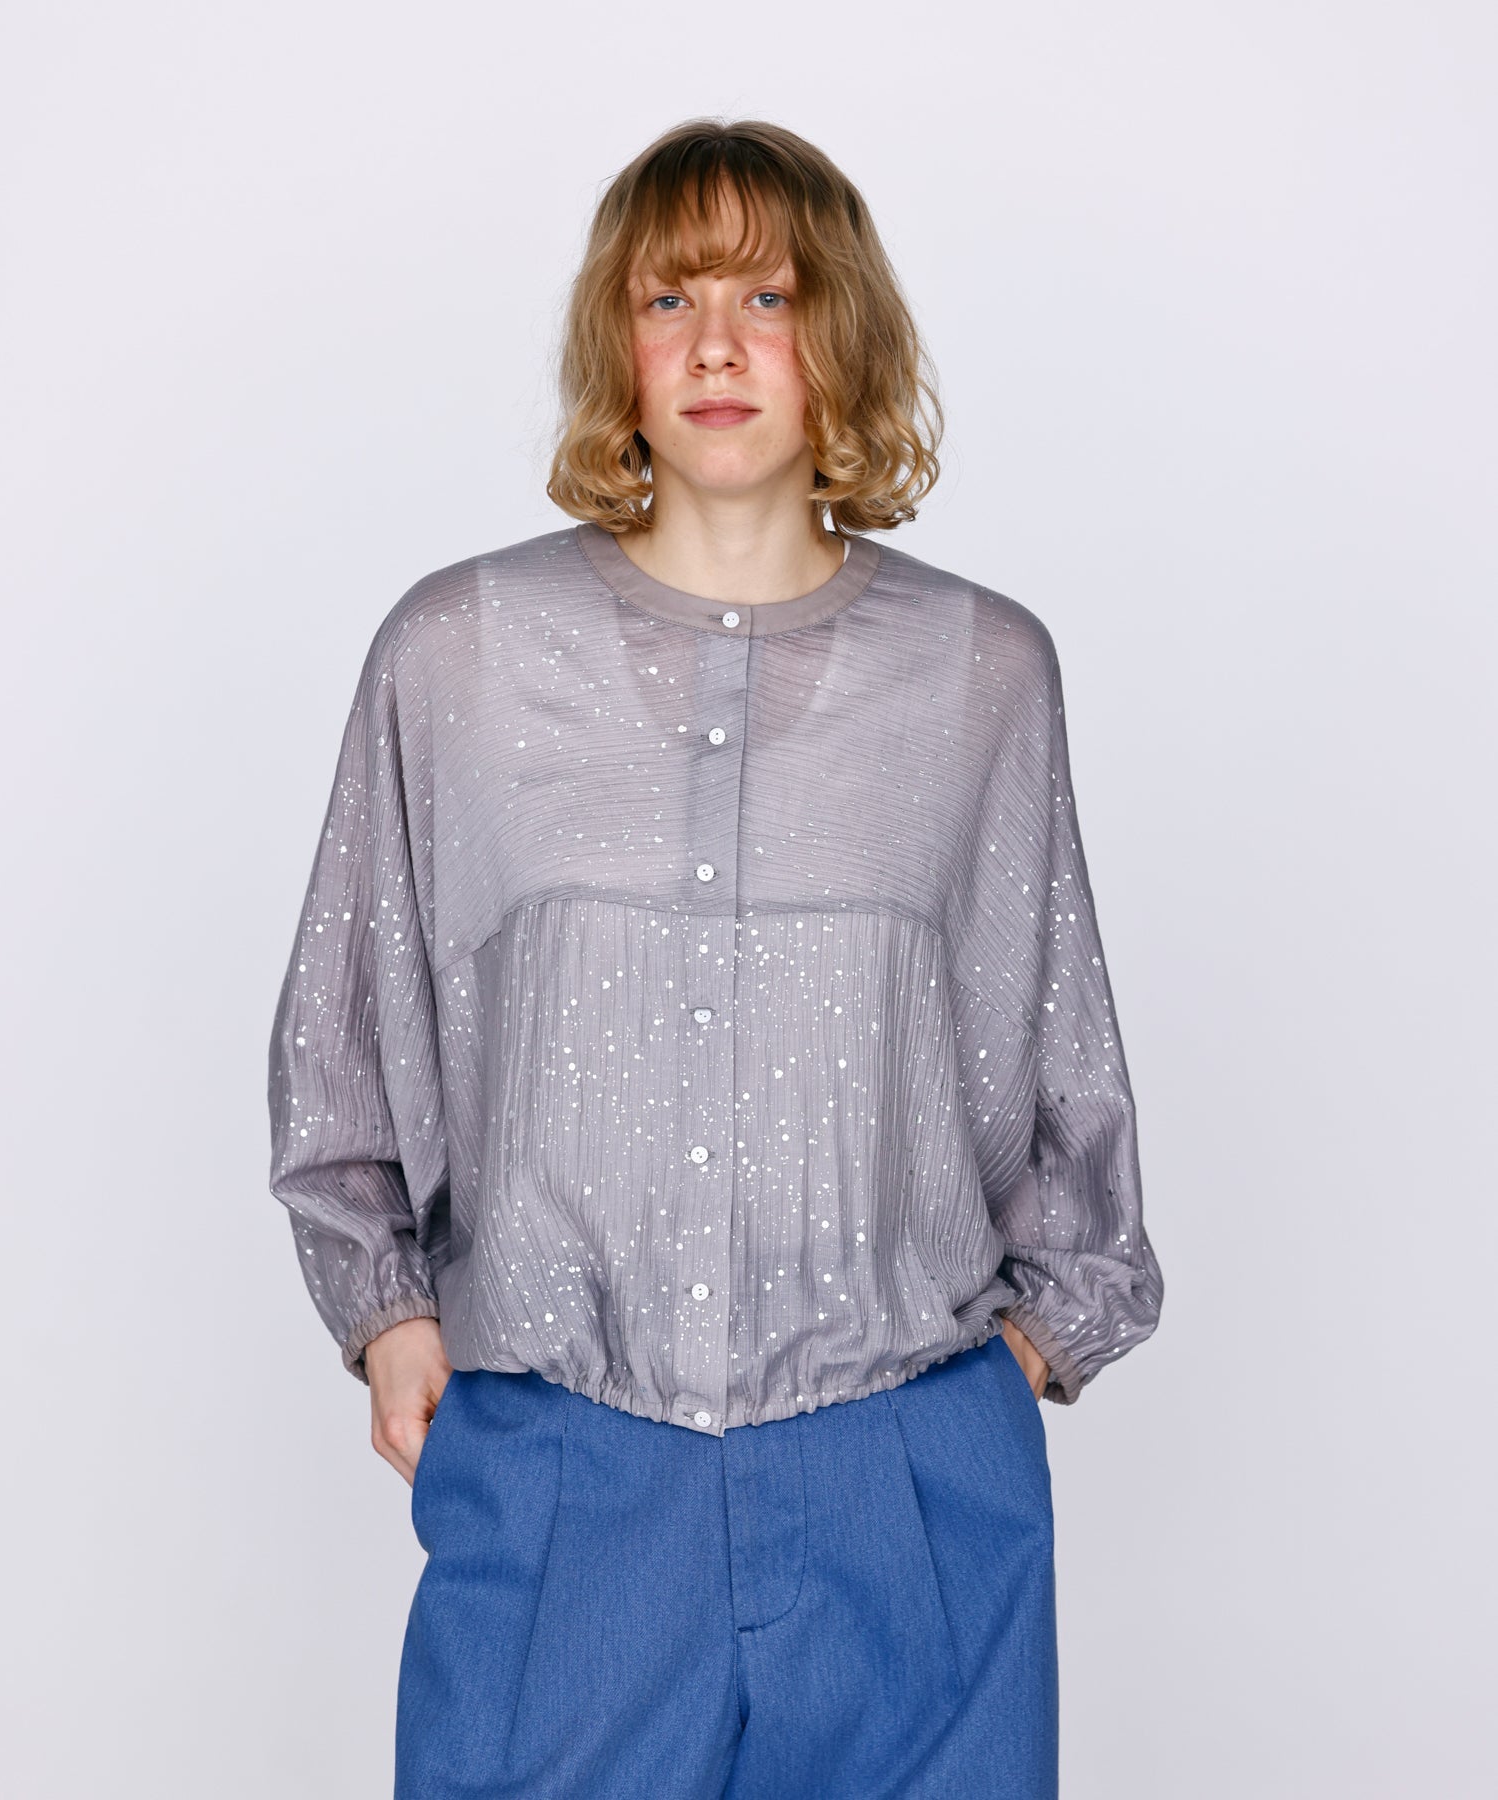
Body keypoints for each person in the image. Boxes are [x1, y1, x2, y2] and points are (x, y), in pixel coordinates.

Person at [266, 116, 1163, 1799]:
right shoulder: (456, 656)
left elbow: (1056, 1060)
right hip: (565, 1473)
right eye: (670, 298)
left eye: (772, 295)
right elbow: (344, 1037)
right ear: (618, 342)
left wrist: (994, 1389)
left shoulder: (982, 675)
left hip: (905, 1472)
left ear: (845, 337)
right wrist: (385, 1314)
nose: (720, 346)